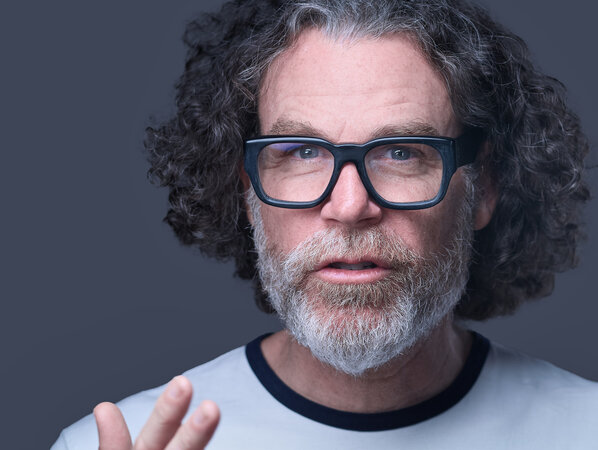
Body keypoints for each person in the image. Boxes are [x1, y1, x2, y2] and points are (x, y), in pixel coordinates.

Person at [52, 0, 597, 448]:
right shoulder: (120, 443)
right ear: (247, 192)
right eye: (302, 151)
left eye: (402, 152)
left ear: (485, 190)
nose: (350, 205)